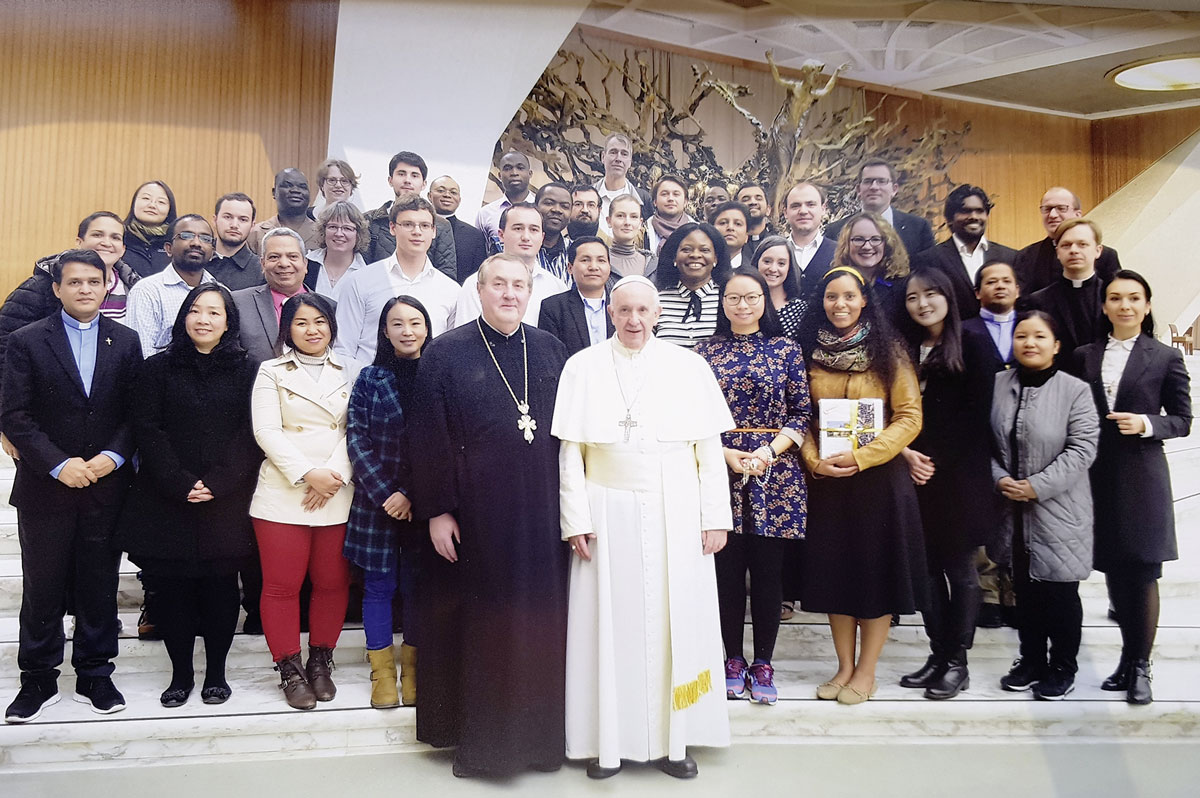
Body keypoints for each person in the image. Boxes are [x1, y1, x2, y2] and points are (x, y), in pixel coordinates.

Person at [554, 275, 733, 779]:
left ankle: (676, 743)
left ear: (658, 314)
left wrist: (715, 517)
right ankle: (606, 742)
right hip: (605, 509)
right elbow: (572, 454)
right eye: (624, 311)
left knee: (679, 626)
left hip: (677, 510)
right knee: (611, 627)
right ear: (610, 313)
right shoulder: (582, 367)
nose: (634, 321)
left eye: (643, 311)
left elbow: (707, 453)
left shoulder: (688, 366)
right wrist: (576, 520)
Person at [408, 253, 569, 778]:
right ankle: (484, 746)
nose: (509, 293)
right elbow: (428, 439)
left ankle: (540, 744)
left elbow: (570, 440)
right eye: (498, 284)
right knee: (484, 627)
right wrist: (437, 510)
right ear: (479, 291)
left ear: (530, 292)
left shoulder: (550, 351)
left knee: (536, 628)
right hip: (475, 517)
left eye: (518, 285)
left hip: (542, 515)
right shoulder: (445, 353)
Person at [2, 249, 142, 723]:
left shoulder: (126, 341)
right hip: (46, 486)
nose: (85, 289)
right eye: (74, 282)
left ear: (107, 287)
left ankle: (95, 673)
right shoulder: (26, 340)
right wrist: (59, 465)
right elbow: (14, 414)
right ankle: (38, 678)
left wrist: (111, 457)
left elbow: (133, 412)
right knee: (42, 585)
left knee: (99, 582)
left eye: (93, 282)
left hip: (106, 484)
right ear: (57, 289)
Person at [116, 284, 259, 707]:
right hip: (166, 496)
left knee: (219, 589)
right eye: (195, 311)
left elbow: (249, 433)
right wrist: (178, 480)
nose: (204, 319)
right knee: (172, 591)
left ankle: (216, 672)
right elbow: (147, 429)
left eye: (214, 313)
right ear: (183, 318)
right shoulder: (157, 368)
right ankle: (180, 675)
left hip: (226, 498)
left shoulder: (249, 369)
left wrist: (219, 481)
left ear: (228, 321)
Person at [797, 266, 926, 705]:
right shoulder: (809, 351)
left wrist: (864, 456)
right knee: (837, 576)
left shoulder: (890, 350)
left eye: (849, 296)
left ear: (864, 300)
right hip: (830, 482)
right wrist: (814, 461)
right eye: (832, 297)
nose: (840, 305)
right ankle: (844, 667)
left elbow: (909, 417)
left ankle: (867, 671)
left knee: (876, 575)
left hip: (879, 481)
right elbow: (803, 417)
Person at [1074, 271, 1192, 705]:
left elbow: (1182, 420)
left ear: (1146, 305)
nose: (1124, 305)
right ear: (1104, 306)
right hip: (1096, 475)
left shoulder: (1164, 357)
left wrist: (1146, 423)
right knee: (1114, 570)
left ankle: (1140, 666)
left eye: (1133, 298)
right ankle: (1126, 660)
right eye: (1115, 298)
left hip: (1142, 474)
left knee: (1141, 570)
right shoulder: (1084, 355)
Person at [695, 269, 810, 708]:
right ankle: (731, 659)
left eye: (751, 297)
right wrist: (725, 454)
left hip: (773, 472)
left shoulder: (786, 349)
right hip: (719, 467)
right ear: (722, 303)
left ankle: (763, 661)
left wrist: (767, 452)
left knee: (767, 575)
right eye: (732, 298)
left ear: (765, 300)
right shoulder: (704, 352)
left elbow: (801, 413)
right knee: (725, 573)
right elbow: (694, 416)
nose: (742, 305)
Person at [249, 293, 359, 711]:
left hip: (337, 486)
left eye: (319, 321)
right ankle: (289, 668)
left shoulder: (351, 369)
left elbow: (357, 425)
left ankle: (320, 662)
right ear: (287, 328)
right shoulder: (271, 371)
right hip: (284, 490)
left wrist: (331, 475)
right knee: (282, 585)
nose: (312, 330)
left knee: (332, 582)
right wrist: (306, 473)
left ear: (331, 325)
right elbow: (267, 431)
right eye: (301, 323)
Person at [896, 268, 996, 699]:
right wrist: (907, 455)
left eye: (931, 294)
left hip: (960, 476)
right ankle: (938, 655)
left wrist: (933, 461)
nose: (922, 304)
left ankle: (958, 661)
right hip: (914, 472)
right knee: (928, 571)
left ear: (950, 297)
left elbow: (980, 414)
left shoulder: (973, 341)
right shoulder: (905, 347)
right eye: (913, 297)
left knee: (960, 569)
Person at [991, 311, 1098, 701]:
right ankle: (1031, 660)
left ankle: (1062, 667)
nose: (1029, 343)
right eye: (1021, 336)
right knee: (1024, 590)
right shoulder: (999, 384)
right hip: (1011, 508)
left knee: (1060, 594)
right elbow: (985, 442)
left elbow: (1082, 448)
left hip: (1059, 509)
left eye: (1039, 337)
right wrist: (999, 478)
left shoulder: (1075, 390)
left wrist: (1036, 486)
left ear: (1056, 345)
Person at [345, 296, 432, 709]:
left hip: (424, 502)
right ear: (384, 331)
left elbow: (444, 442)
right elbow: (356, 439)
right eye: (397, 324)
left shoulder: (439, 374)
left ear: (427, 328)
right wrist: (387, 494)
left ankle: (413, 671)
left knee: (417, 586)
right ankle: (382, 672)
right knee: (379, 585)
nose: (407, 330)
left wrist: (413, 493)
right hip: (376, 502)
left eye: (415, 322)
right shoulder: (369, 378)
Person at [0, 212, 139, 444]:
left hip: (107, 429)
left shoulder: (135, 289)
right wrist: (5, 422)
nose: (106, 242)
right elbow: (5, 349)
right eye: (97, 234)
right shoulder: (39, 286)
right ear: (79, 242)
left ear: (123, 248)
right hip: (43, 426)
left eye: (115, 237)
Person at [962, 259, 1022, 628]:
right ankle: (987, 592)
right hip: (977, 433)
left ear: (1018, 288)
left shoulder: (1031, 328)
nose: (999, 287)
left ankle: (1014, 591)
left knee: (1015, 514)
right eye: (990, 281)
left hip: (1022, 432)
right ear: (977, 292)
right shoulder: (965, 331)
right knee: (981, 513)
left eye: (1006, 281)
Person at [336, 194, 459, 362]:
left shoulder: (450, 290)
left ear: (434, 231)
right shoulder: (360, 281)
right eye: (408, 224)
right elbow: (344, 348)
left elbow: (451, 353)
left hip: (426, 383)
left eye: (424, 225)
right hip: (370, 382)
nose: (417, 232)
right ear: (392, 228)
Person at [453, 203, 567, 329]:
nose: (526, 237)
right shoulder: (477, 283)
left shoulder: (557, 288)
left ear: (542, 237)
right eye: (518, 228)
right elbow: (466, 337)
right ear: (501, 235)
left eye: (534, 230)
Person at [913, 185, 1016, 318]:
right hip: (952, 337)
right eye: (965, 211)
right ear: (950, 219)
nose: (974, 216)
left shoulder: (1010, 257)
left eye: (980, 211)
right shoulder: (929, 259)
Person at [126, 214, 220, 357]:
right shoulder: (147, 291)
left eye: (205, 238)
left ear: (213, 251)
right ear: (168, 249)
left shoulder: (221, 293)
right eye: (187, 236)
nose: (196, 243)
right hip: (159, 378)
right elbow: (143, 356)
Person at [1027, 218, 1108, 367]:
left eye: (1082, 244)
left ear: (1098, 251)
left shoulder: (1112, 297)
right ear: (1057, 252)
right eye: (1066, 245)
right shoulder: (1038, 301)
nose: (1074, 250)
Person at [364, 151, 457, 278]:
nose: (407, 180)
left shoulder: (441, 225)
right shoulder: (369, 221)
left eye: (414, 175)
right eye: (401, 174)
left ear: (424, 183)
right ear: (390, 180)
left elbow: (446, 274)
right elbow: (362, 268)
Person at [1014, 187, 1121, 295]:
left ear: (1078, 215)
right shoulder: (1025, 256)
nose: (1053, 215)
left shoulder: (1106, 256)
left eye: (1061, 208)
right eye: (1047, 209)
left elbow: (1115, 297)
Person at [233, 227, 314, 365]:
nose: (283, 264)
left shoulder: (330, 307)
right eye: (274, 257)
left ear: (305, 264)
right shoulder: (238, 303)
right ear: (263, 264)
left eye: (292, 256)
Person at [826, 160, 934, 258]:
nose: (874, 187)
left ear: (894, 189)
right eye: (868, 181)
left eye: (882, 181)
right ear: (858, 189)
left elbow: (927, 272)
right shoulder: (835, 231)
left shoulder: (918, 228)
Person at [654, 222, 731, 349]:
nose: (695, 255)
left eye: (704, 250)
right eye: (686, 249)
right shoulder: (656, 300)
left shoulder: (728, 299)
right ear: (674, 257)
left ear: (716, 258)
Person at [538, 237, 614, 357]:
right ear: (570, 268)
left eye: (601, 260)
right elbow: (551, 357)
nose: (594, 267)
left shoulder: (622, 306)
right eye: (585, 260)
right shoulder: (553, 308)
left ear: (609, 267)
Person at [831, 211, 910, 323]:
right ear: (846, 244)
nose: (867, 246)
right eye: (858, 239)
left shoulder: (903, 286)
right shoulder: (833, 283)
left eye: (875, 239)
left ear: (887, 243)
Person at [304, 201, 369, 302]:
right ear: (323, 230)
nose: (339, 234)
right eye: (333, 227)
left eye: (347, 228)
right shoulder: (306, 265)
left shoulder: (367, 272)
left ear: (358, 234)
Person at [247, 168, 320, 255]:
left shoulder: (322, 234)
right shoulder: (255, 234)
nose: (295, 190)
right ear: (274, 192)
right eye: (287, 185)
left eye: (302, 187)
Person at [429, 175, 487, 283]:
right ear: (429, 195)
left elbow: (478, 275)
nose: (447, 195)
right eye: (441, 190)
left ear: (459, 200)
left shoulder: (474, 236)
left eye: (453, 192)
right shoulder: (417, 227)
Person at [782, 181, 836, 296]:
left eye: (810, 204)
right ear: (785, 212)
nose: (803, 211)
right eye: (795, 206)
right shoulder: (774, 253)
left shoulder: (839, 253)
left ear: (823, 209)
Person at [476, 150, 536, 252]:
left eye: (520, 168)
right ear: (499, 175)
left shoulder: (541, 209)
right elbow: (481, 253)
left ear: (530, 174)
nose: (514, 173)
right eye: (507, 168)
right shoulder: (485, 213)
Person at [592, 132, 650, 236]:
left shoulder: (643, 199)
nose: (618, 159)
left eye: (624, 154)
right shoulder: (589, 197)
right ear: (603, 157)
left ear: (630, 161)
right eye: (613, 152)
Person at [207, 193, 265, 290]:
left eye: (243, 219)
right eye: (227, 217)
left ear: (252, 225)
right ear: (214, 220)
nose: (234, 225)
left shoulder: (261, 271)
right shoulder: (196, 260)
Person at [753, 235, 806, 340]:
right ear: (756, 262)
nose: (773, 269)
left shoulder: (801, 311)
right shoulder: (744, 305)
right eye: (767, 261)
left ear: (789, 267)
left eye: (781, 263)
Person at [122, 180, 177, 277]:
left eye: (161, 202)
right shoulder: (119, 237)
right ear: (134, 203)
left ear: (169, 209)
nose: (152, 205)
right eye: (146, 198)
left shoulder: (175, 243)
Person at [606, 194, 655, 280]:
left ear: (640, 223)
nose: (627, 222)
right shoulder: (599, 262)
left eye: (633, 217)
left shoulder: (652, 265)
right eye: (620, 216)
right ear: (609, 221)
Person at [535, 181, 574, 283]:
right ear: (535, 207)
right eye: (549, 203)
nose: (557, 210)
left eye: (564, 206)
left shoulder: (576, 252)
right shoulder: (518, 247)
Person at [645, 175, 694, 254]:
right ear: (655, 201)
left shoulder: (698, 232)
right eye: (664, 194)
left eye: (676, 194)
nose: (670, 199)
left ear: (685, 202)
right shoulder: (642, 232)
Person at [712, 200, 752, 267]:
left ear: (746, 236)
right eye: (723, 223)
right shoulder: (698, 268)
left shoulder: (754, 272)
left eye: (738, 224)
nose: (730, 227)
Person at [736, 182, 775, 250]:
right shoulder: (730, 246)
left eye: (758, 198)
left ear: (768, 210)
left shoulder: (779, 245)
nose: (753, 202)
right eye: (745, 200)